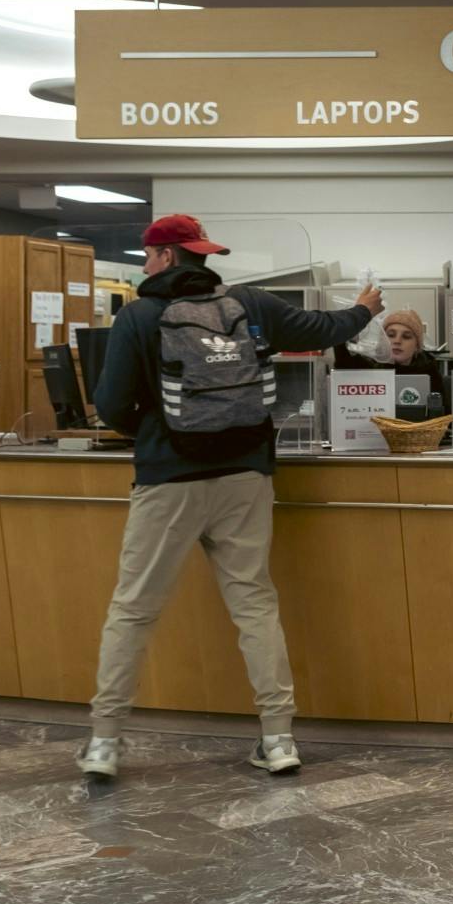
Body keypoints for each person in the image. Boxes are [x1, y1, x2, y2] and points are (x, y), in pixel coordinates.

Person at [79, 214, 382, 779]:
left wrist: (153, 428)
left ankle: (103, 741)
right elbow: (321, 328)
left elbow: (112, 406)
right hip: (246, 475)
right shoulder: (251, 304)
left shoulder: (139, 316)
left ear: (166, 257)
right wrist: (365, 308)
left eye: (147, 256)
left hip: (168, 479)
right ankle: (278, 738)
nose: (145, 266)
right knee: (254, 604)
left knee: (135, 608)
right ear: (201, 254)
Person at [334, 307, 440, 375]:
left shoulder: (429, 372)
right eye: (391, 335)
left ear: (417, 346)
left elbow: (444, 409)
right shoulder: (367, 368)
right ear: (383, 340)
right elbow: (343, 362)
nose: (397, 341)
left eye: (406, 336)